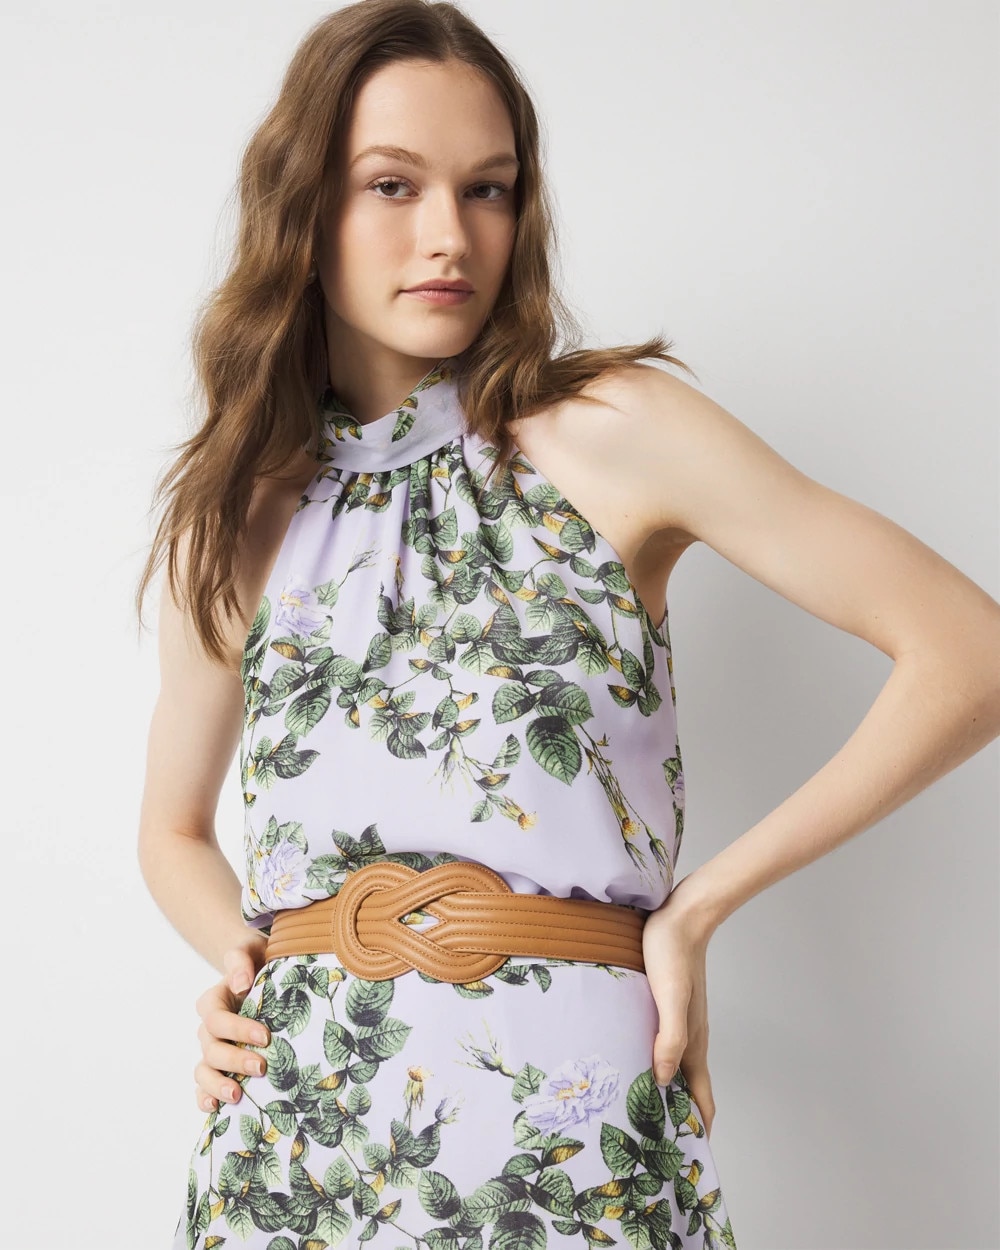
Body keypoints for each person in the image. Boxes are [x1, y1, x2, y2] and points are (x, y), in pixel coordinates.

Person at [135, 3, 1000, 1247]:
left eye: (486, 188)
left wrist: (698, 906)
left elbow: (967, 651)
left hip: (567, 1123)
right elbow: (171, 827)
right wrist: (239, 964)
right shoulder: (239, 512)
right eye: (393, 184)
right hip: (298, 1134)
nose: (450, 235)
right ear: (303, 207)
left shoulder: (610, 432)